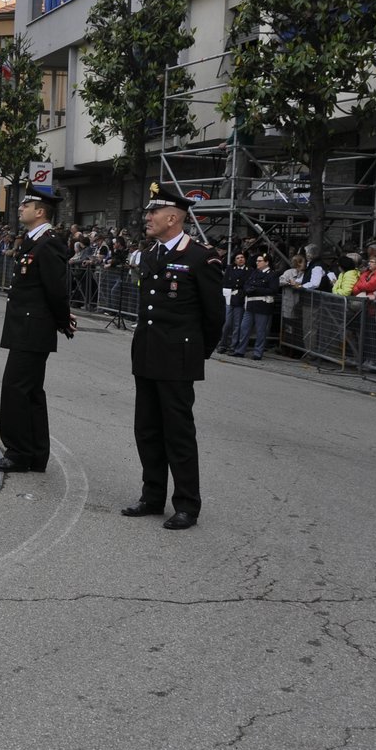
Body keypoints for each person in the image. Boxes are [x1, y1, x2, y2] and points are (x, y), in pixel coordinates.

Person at [120, 184, 224, 530]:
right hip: (147, 354)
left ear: (172, 217)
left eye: (153, 212)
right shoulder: (151, 254)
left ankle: (186, 505)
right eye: (148, 212)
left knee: (177, 432)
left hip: (178, 357)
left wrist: (196, 352)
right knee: (147, 429)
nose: (146, 217)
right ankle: (152, 496)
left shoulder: (200, 257)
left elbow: (214, 316)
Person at [0, 190, 75, 473]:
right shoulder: (33, 241)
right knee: (32, 391)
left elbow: (56, 289)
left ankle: (18, 453)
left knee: (16, 389)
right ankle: (36, 454)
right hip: (26, 324)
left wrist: (62, 321)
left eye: (26, 204)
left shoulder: (48, 244)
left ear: (40, 212)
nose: (20, 208)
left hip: (32, 327)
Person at [235, 252, 278, 359]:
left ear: (267, 262)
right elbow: (247, 284)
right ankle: (240, 350)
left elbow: (273, 290)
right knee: (244, 328)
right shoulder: (255, 273)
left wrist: (256, 289)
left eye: (260, 261)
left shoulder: (272, 275)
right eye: (257, 261)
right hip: (250, 304)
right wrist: (247, 289)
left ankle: (258, 353)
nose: (257, 263)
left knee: (260, 331)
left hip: (262, 306)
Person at [218, 250, 249, 352]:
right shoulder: (230, 269)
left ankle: (233, 345)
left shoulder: (249, 270)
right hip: (229, 297)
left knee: (237, 324)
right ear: (235, 261)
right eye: (238, 258)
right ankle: (223, 343)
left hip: (239, 298)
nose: (240, 259)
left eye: (242, 257)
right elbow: (225, 281)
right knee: (227, 323)